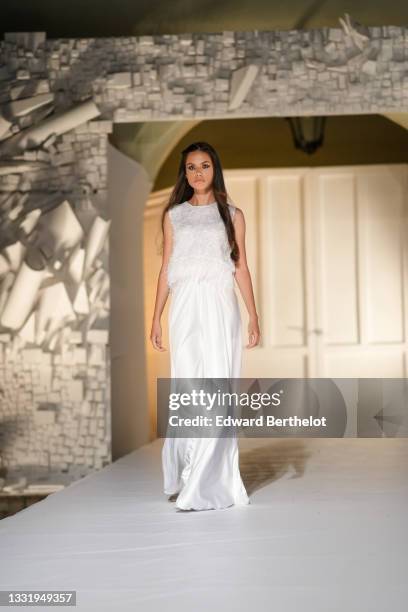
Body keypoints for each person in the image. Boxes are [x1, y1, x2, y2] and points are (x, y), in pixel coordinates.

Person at [150, 141, 260, 511]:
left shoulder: (232, 214)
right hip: (184, 308)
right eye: (192, 167)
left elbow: (240, 267)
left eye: (205, 166)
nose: (198, 173)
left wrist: (253, 315)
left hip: (218, 305)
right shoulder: (174, 215)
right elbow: (166, 269)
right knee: (189, 386)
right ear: (184, 173)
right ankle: (190, 473)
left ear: (216, 169)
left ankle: (207, 481)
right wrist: (156, 318)